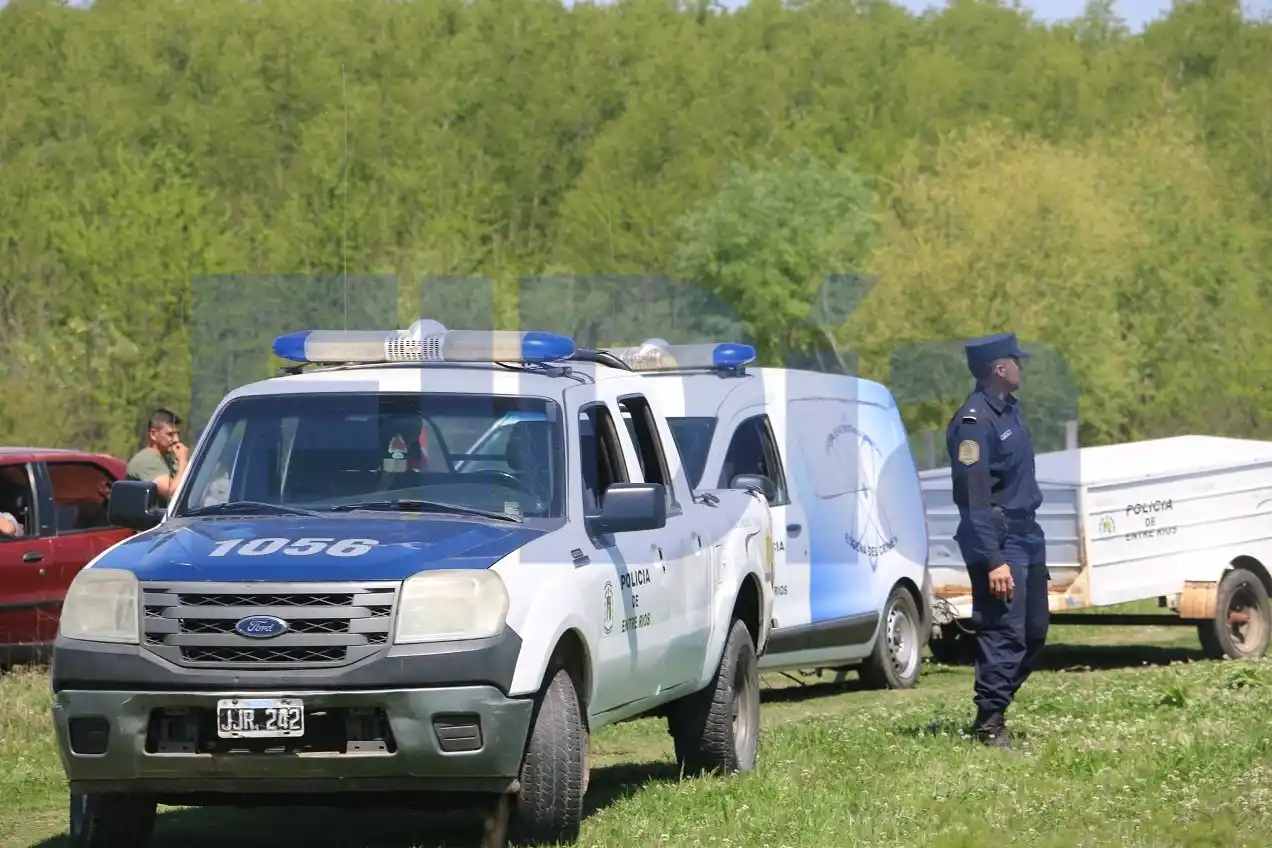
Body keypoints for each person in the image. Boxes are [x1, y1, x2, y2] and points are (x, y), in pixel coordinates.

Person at [945, 332, 1048, 749]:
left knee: (1035, 632)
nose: (1022, 367)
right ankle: (989, 723)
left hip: (1027, 534)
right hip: (997, 540)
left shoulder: (1009, 413)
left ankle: (995, 706)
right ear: (1000, 369)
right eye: (1016, 361)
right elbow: (974, 499)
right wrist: (992, 559)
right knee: (1004, 630)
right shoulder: (973, 422)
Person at [126, 408, 190, 507]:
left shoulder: (170, 459)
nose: (176, 440)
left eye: (178, 433)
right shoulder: (146, 460)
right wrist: (183, 462)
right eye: (170, 434)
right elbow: (172, 493)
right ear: (153, 434)